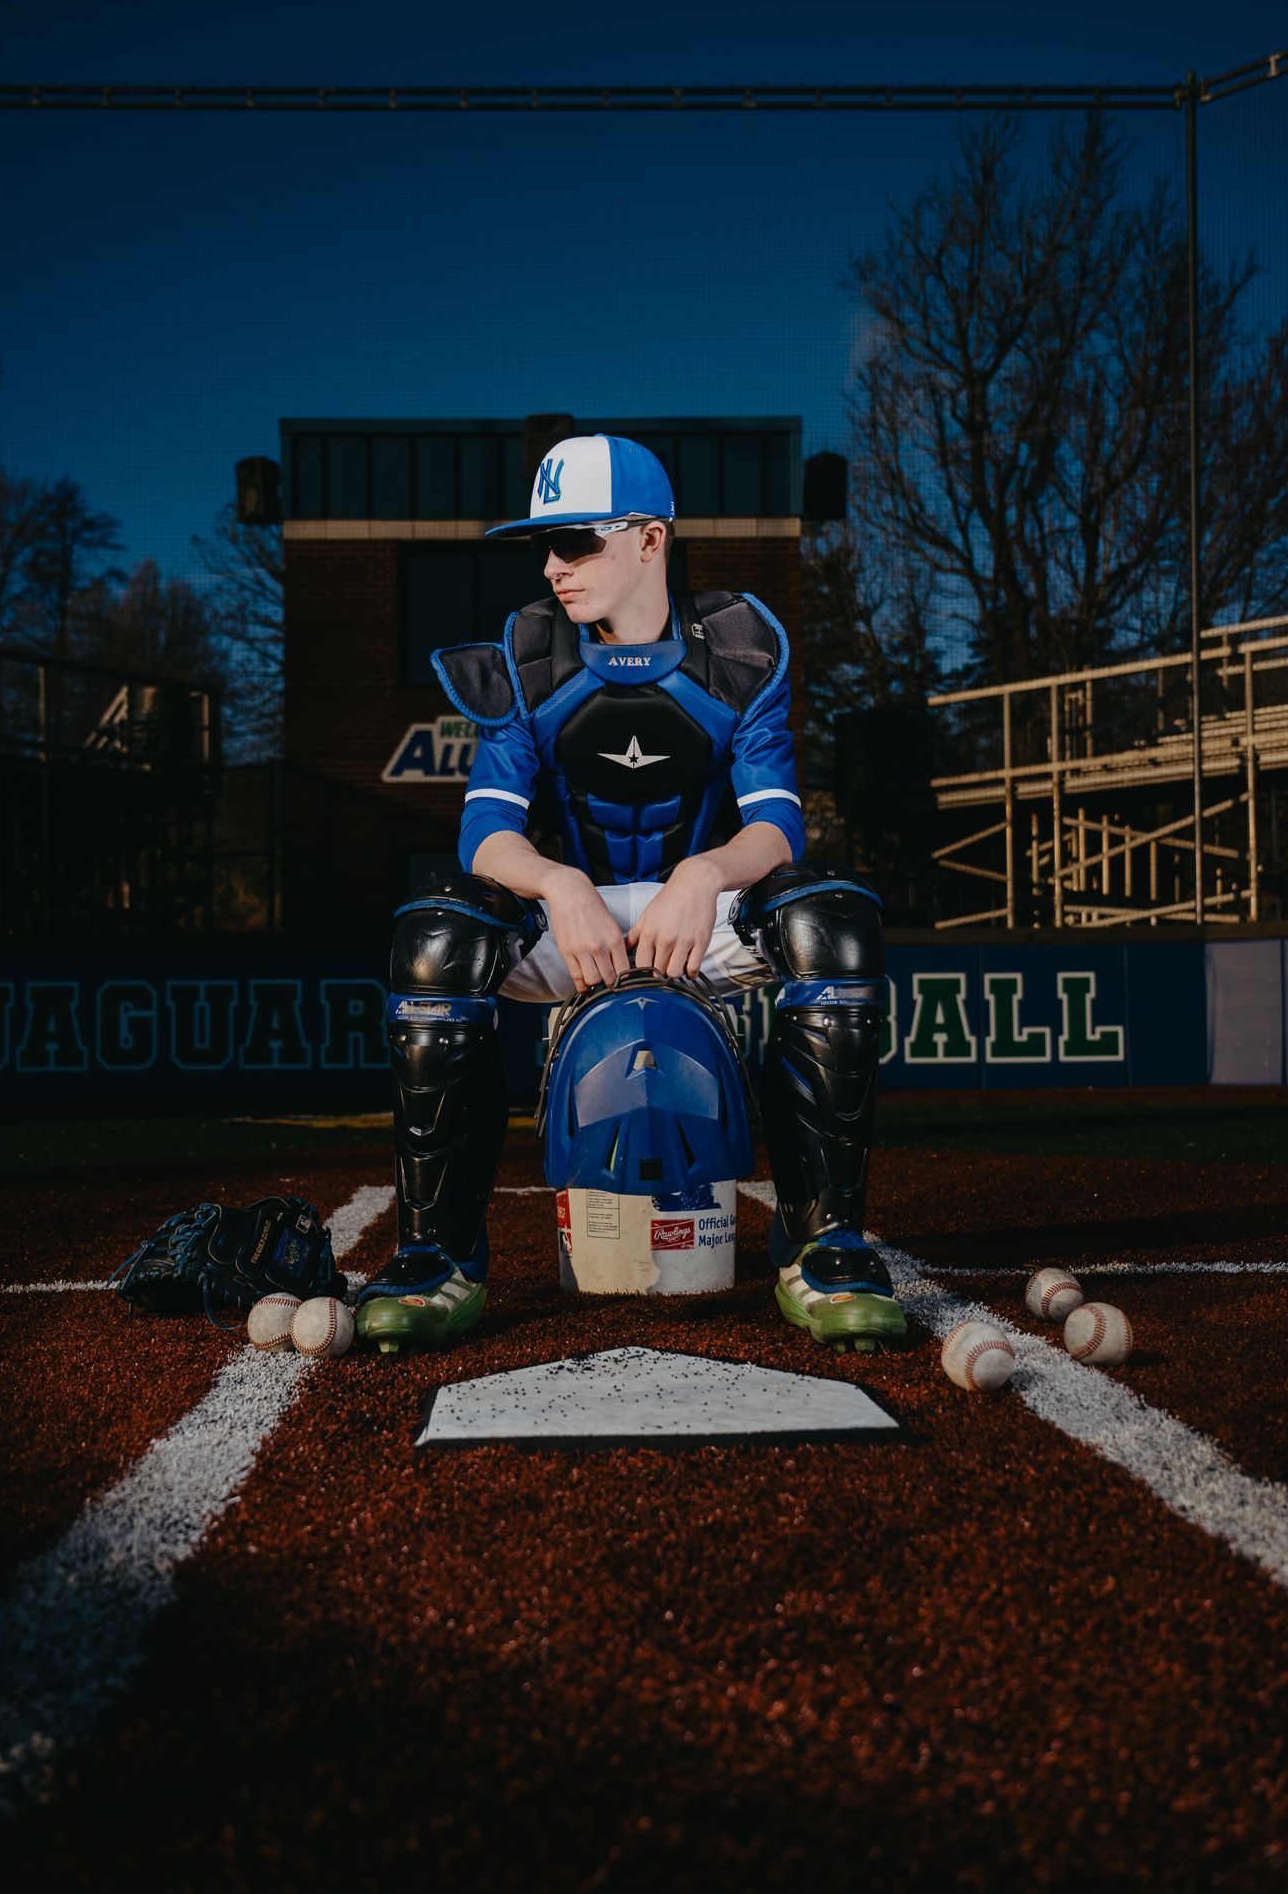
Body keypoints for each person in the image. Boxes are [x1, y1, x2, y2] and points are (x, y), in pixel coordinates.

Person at [354, 433, 904, 1356]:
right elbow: (484, 835)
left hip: (702, 921)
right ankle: (437, 1253)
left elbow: (776, 827)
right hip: (575, 923)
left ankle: (822, 1244)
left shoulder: (738, 648)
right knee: (434, 942)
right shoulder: (528, 656)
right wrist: (558, 882)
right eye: (544, 544)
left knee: (834, 924)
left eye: (575, 541)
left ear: (650, 539)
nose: (552, 565)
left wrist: (701, 874)